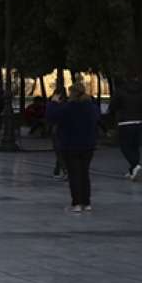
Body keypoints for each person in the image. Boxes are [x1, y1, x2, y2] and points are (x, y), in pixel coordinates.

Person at [48, 81, 100, 212]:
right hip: (88, 145)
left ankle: (76, 203)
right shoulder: (91, 108)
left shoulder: (68, 107)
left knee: (74, 175)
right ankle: (86, 203)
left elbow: (52, 116)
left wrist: (53, 102)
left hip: (70, 145)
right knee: (84, 174)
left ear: (72, 93)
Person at [109, 75, 142, 181]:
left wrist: (119, 109)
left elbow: (112, 106)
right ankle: (133, 169)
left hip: (125, 122)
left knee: (125, 146)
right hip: (139, 121)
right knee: (135, 146)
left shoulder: (120, 90)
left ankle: (135, 164)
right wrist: (141, 109)